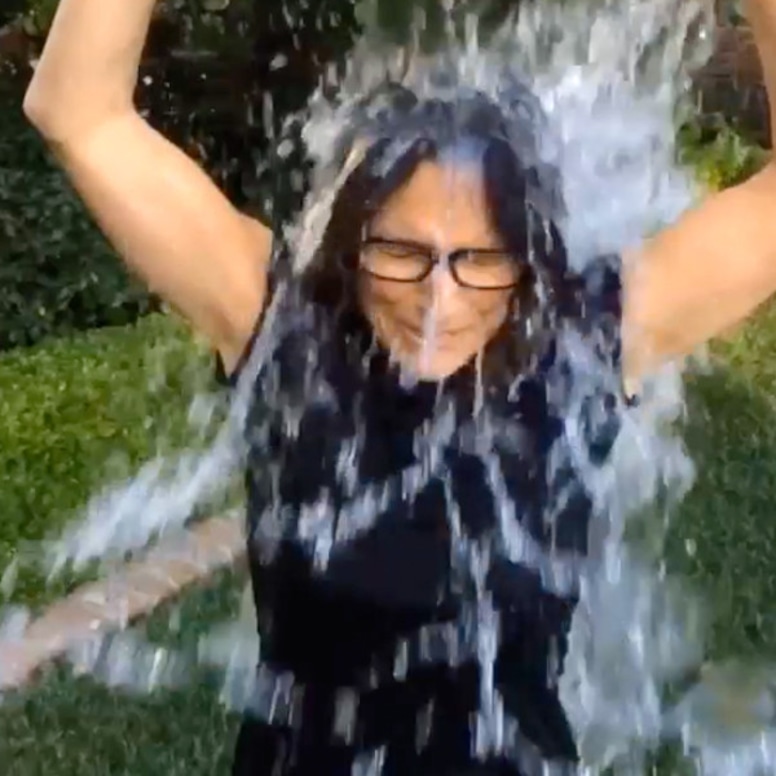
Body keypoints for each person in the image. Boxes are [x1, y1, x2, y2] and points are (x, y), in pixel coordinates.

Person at [22, 0, 776, 774]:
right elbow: (78, 113)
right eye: (401, 252)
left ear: (527, 257)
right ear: (351, 239)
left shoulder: (581, 344)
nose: (438, 300)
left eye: (480, 258)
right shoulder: (282, 326)